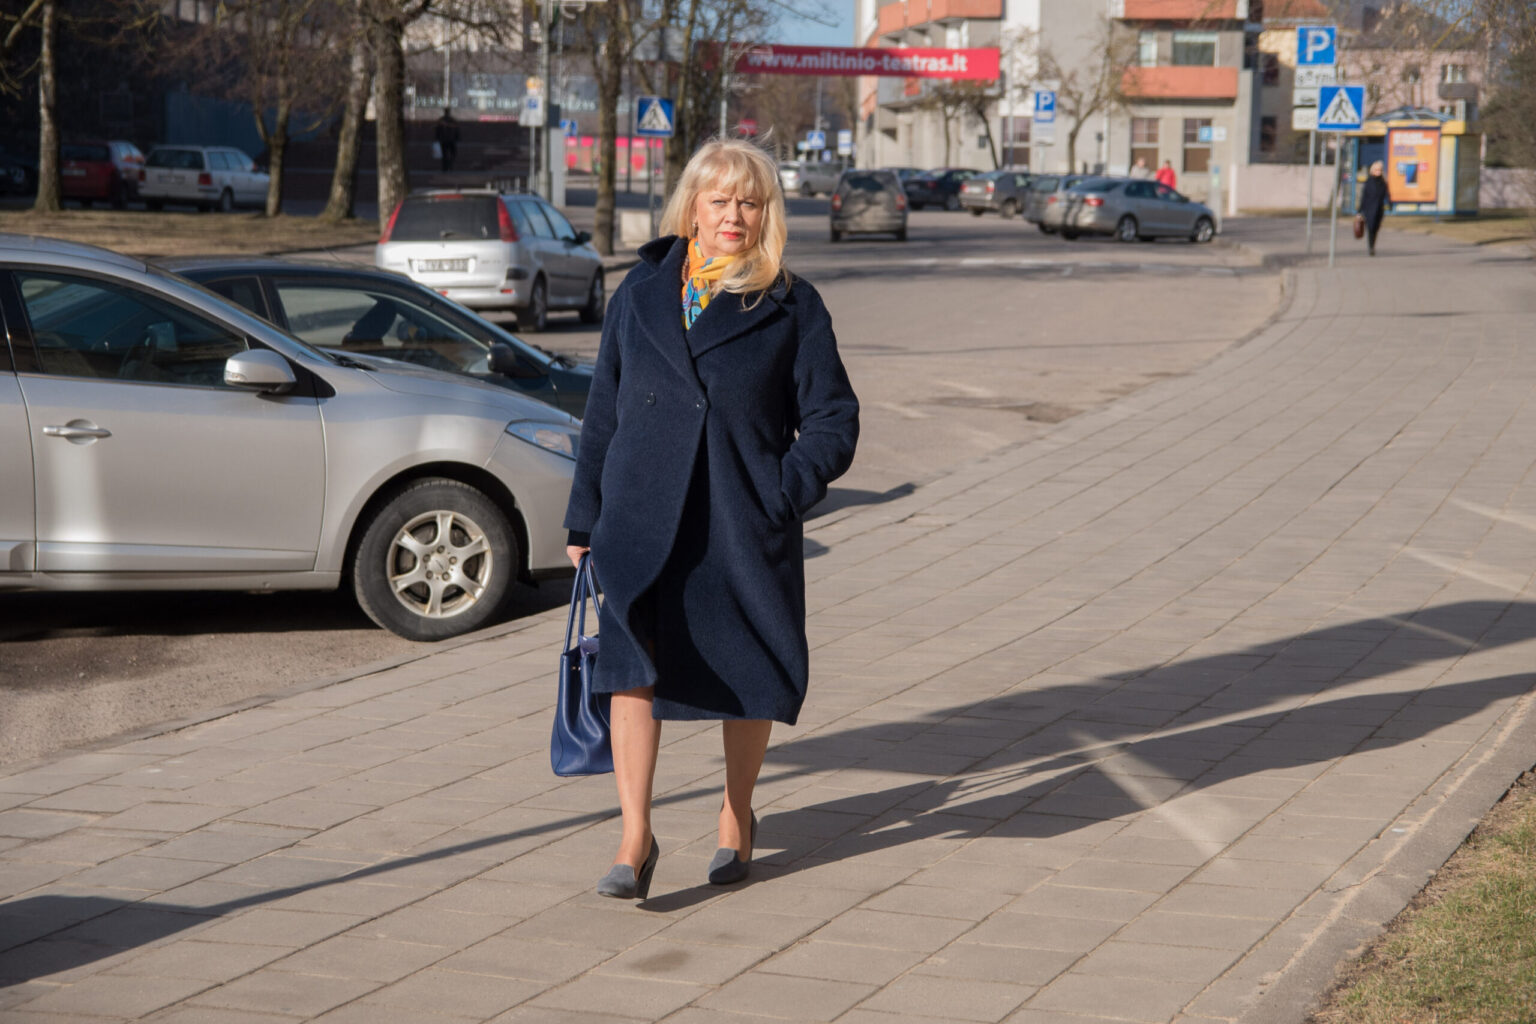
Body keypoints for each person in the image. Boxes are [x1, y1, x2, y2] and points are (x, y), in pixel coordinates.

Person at [563, 138, 860, 900]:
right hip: (639, 518)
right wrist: (583, 518)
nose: (734, 215)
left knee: (746, 668)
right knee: (630, 670)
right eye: (720, 200)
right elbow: (603, 412)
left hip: (736, 518)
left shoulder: (789, 303)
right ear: (691, 207)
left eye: (749, 202)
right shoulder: (640, 292)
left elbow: (834, 420)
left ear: (767, 214)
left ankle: (736, 814)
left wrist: (779, 491)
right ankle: (635, 836)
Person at [1359, 160, 1389, 256]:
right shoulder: (1369, 182)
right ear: (1372, 171)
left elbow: (1386, 195)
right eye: (1376, 170)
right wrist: (1360, 211)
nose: (1378, 172)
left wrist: (1389, 203)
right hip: (1369, 209)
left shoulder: (1383, 182)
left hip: (1379, 209)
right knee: (1370, 227)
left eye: (1379, 170)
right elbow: (1364, 197)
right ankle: (1371, 247)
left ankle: (1372, 245)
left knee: (1376, 228)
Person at [434, 107, 460, 172]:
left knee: (445, 154)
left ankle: (445, 167)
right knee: (451, 154)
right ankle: (448, 166)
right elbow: (456, 130)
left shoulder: (441, 120)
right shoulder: (452, 120)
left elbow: (437, 130)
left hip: (445, 140)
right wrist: (457, 138)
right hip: (450, 140)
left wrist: (437, 138)